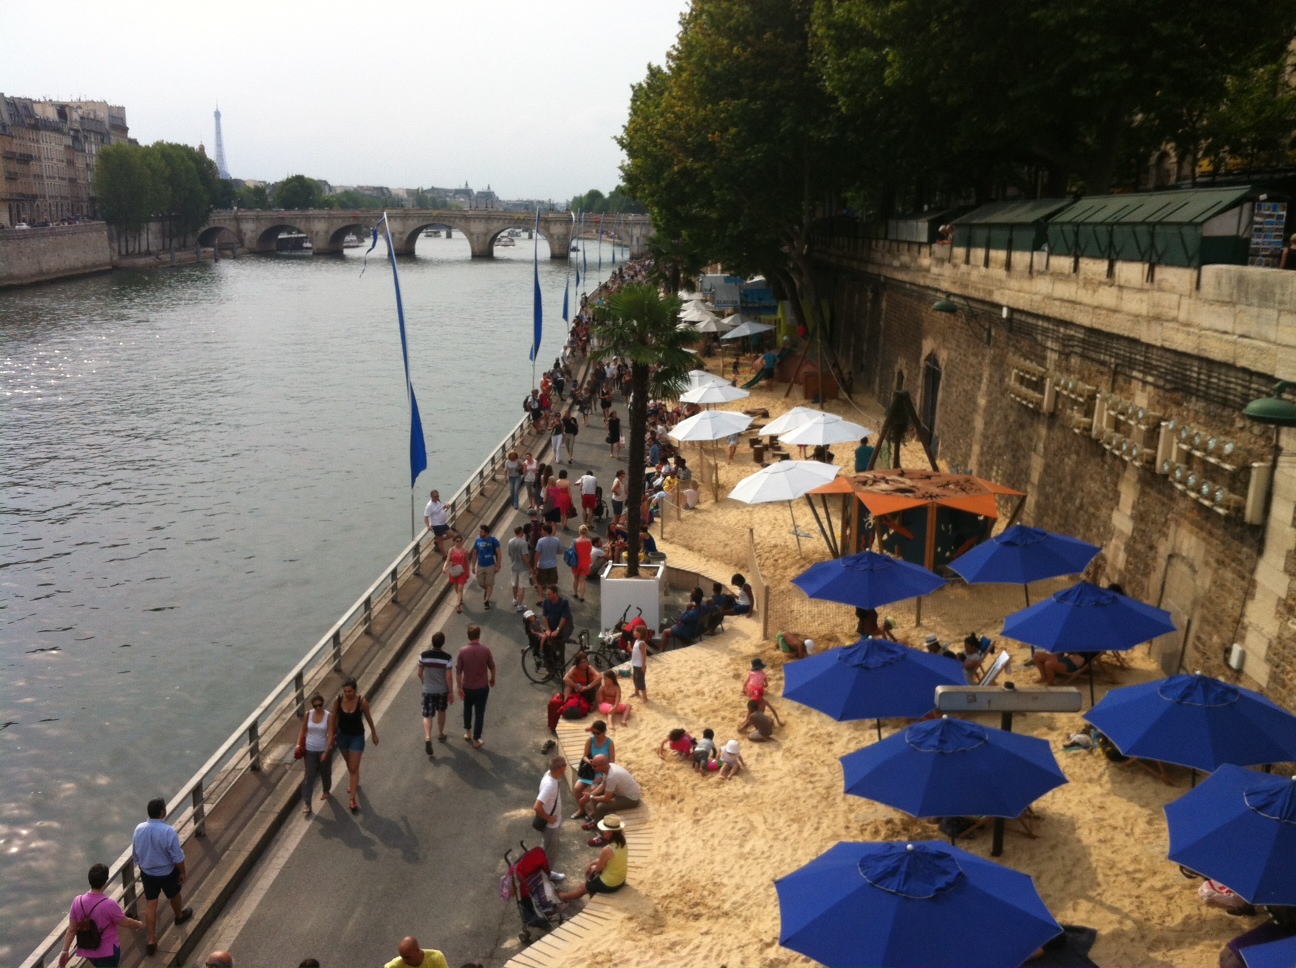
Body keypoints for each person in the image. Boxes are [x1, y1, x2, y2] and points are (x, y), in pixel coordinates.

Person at [131, 798, 193, 956]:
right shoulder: (169, 831)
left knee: (151, 904)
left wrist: (141, 865)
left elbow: (136, 853)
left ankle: (151, 940)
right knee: (174, 895)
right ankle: (179, 916)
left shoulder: (139, 829)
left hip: (147, 873)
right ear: (162, 813)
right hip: (167, 872)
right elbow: (177, 857)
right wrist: (183, 872)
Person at [58, 863, 145, 968]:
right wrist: (139, 924)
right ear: (105, 881)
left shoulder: (78, 901)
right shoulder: (109, 904)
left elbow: (72, 929)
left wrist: (65, 950)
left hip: (89, 950)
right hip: (108, 951)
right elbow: (125, 922)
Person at [329, 678, 378, 812]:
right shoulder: (338, 700)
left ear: (355, 690)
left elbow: (368, 718)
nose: (347, 694)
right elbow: (334, 718)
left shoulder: (362, 702)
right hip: (342, 737)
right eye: (345, 691)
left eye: (350, 691)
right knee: (350, 765)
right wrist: (332, 735)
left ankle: (352, 799)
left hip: (357, 737)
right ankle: (354, 781)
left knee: (353, 766)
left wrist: (374, 733)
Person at [557, 815, 628, 902]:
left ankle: (562, 896)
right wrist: (592, 864)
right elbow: (608, 861)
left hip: (610, 884)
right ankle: (591, 892)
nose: (603, 832)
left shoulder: (608, 849)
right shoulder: (623, 841)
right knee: (592, 874)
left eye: (605, 830)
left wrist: (590, 868)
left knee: (582, 888)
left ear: (610, 832)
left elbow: (599, 868)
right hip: (621, 879)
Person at [456, 625, 496, 749]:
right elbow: (492, 666)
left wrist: (459, 687)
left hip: (467, 686)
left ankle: (468, 732)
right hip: (482, 687)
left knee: (467, 708)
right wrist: (492, 678)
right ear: (479, 636)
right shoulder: (485, 650)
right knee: (479, 713)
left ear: (468, 636)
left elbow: (458, 672)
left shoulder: (462, 651)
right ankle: (476, 739)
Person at [295, 692, 333, 815]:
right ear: (312, 706)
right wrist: (298, 744)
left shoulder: (328, 716)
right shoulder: (308, 714)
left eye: (320, 705)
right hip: (310, 751)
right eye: (315, 706)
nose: (318, 707)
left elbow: (331, 734)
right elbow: (303, 729)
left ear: (323, 703)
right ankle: (308, 804)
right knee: (308, 777)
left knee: (325, 773)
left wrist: (327, 751)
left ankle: (326, 790)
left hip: (323, 749)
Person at [417, 631, 455, 754]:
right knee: (441, 711)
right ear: (442, 643)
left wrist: (424, 682)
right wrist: (451, 692)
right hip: (442, 690)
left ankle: (428, 737)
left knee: (427, 715)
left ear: (432, 642)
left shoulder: (424, 656)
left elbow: (419, 673)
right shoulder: (447, 658)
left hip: (428, 690)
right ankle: (440, 733)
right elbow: (449, 677)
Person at [579, 755, 641, 822]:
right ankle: (595, 813)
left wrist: (591, 796)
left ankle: (596, 823)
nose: (592, 768)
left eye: (594, 766)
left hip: (631, 799)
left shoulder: (612, 776)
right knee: (596, 795)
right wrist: (590, 795)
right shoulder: (608, 767)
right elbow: (603, 785)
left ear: (602, 766)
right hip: (622, 792)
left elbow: (606, 798)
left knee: (600, 806)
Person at [534, 756, 568, 862]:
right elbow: (537, 806)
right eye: (565, 765)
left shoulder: (549, 774)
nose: (566, 768)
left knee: (548, 847)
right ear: (560, 769)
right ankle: (545, 876)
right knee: (550, 852)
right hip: (551, 825)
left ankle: (546, 873)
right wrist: (549, 819)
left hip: (553, 821)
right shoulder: (550, 785)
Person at [470, 524, 502, 610]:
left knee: (489, 584)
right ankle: (487, 590)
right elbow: (474, 553)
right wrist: (473, 565)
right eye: (479, 531)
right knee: (481, 583)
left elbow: (498, 553)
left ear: (486, 532)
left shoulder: (493, 540)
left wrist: (498, 565)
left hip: (490, 565)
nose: (479, 533)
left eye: (481, 531)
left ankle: (487, 600)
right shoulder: (477, 541)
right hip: (480, 566)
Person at [743, 658, 783, 725]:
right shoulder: (763, 675)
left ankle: (746, 720)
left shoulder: (751, 673)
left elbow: (746, 682)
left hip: (750, 689)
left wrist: (743, 690)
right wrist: (778, 722)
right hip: (758, 690)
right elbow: (766, 685)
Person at [541, 584, 573, 662]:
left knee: (560, 653)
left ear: (556, 593)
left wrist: (558, 629)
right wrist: (548, 629)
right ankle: (550, 670)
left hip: (560, 630)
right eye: (547, 594)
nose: (548, 596)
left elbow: (564, 617)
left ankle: (561, 671)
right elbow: (544, 616)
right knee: (548, 652)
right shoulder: (546, 602)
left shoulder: (563, 602)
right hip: (550, 629)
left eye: (550, 594)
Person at [443, 534, 471, 614]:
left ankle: (458, 605)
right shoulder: (451, 550)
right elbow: (448, 560)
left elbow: (467, 562)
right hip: (454, 571)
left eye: (460, 541)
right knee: (456, 587)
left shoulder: (465, 551)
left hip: (462, 571)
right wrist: (444, 568)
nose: (459, 542)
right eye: (457, 541)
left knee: (460, 588)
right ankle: (460, 598)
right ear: (454, 542)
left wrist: (468, 571)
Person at [534, 524, 563, 598]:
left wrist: (535, 565)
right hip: (553, 565)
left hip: (542, 565)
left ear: (546, 531)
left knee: (540, 583)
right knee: (552, 583)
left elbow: (537, 554)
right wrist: (553, 552)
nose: (541, 531)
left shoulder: (540, 541)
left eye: (542, 530)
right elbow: (560, 551)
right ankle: (552, 597)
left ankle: (540, 598)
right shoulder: (557, 540)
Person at [507, 525, 531, 611]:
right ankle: (520, 605)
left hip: (513, 566)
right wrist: (529, 567)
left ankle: (514, 599)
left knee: (514, 584)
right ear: (521, 532)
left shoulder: (510, 541)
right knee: (521, 586)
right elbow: (525, 556)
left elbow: (509, 553)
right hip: (523, 567)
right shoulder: (523, 543)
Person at [423, 490, 452, 556]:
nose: (437, 497)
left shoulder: (438, 501)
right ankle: (444, 555)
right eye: (435, 496)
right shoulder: (429, 506)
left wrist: (445, 506)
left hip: (443, 523)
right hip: (436, 525)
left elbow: (440, 507)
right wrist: (428, 526)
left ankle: (438, 542)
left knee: (451, 534)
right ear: (431, 497)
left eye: (437, 496)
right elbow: (426, 517)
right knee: (440, 541)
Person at [571, 524, 593, 601]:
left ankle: (575, 593)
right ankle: (581, 596)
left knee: (575, 578)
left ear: (579, 531)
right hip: (585, 562)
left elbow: (572, 551)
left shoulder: (575, 541)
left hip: (576, 562)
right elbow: (590, 550)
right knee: (582, 580)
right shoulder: (589, 541)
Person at [630, 626, 650, 702]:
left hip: (639, 665)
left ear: (640, 634)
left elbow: (644, 655)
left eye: (635, 631)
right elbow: (635, 652)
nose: (633, 632)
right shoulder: (636, 641)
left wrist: (643, 666)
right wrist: (630, 649)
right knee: (635, 678)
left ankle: (645, 697)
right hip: (635, 664)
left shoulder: (641, 643)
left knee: (640, 680)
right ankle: (636, 692)